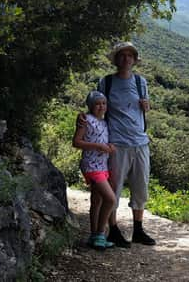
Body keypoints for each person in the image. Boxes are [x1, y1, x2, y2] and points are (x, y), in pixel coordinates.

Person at [78, 41, 156, 247]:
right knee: (115, 188)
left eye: (130, 56)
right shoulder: (107, 82)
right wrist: (84, 119)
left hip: (140, 142)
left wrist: (147, 107)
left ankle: (138, 230)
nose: (126, 59)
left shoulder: (141, 82)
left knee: (141, 187)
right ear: (116, 59)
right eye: (122, 55)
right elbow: (97, 106)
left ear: (134, 60)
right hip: (116, 143)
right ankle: (112, 230)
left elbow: (145, 108)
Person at [72, 91, 117, 250]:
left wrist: (109, 147)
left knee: (96, 201)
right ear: (91, 106)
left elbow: (104, 140)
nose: (101, 106)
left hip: (103, 165)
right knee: (110, 199)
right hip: (91, 165)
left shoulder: (105, 122)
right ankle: (100, 233)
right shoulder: (86, 121)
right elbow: (76, 142)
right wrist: (98, 147)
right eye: (97, 104)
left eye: (104, 103)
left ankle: (93, 236)